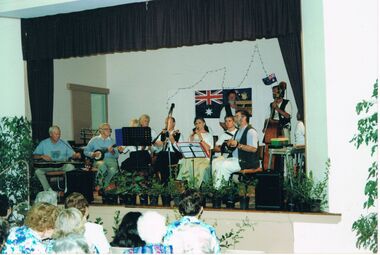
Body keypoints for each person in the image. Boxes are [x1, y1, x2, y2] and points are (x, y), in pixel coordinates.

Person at [212, 110, 260, 188]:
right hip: (236, 159)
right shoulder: (238, 131)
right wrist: (229, 144)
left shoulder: (251, 131)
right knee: (215, 162)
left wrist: (238, 145)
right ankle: (217, 188)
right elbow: (233, 145)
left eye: (237, 116)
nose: (235, 118)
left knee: (224, 165)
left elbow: (254, 149)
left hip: (247, 161)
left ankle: (221, 191)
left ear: (244, 118)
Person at [163, 190, 219, 254]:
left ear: (180, 210)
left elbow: (165, 251)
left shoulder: (171, 229)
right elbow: (216, 252)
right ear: (201, 210)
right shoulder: (209, 230)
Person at [33, 125, 81, 191]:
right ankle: (48, 190)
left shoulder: (64, 143)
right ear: (50, 134)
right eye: (56, 134)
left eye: (59, 134)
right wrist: (41, 156)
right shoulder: (43, 143)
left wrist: (76, 155)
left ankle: (68, 189)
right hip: (49, 166)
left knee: (71, 167)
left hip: (62, 166)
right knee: (38, 171)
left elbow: (73, 155)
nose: (58, 136)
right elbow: (34, 156)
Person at [176, 117, 213, 189]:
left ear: (204, 123)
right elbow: (188, 148)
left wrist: (200, 136)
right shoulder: (193, 135)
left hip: (204, 158)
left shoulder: (208, 135)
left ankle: (194, 186)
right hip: (194, 156)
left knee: (193, 163)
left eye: (199, 123)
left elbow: (208, 148)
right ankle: (187, 183)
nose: (198, 125)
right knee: (186, 160)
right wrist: (191, 139)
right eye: (196, 123)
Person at [84, 123, 119, 190]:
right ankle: (99, 184)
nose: (109, 131)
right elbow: (85, 151)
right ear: (101, 130)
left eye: (110, 129)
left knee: (113, 170)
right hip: (98, 161)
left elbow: (117, 155)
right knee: (102, 166)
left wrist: (112, 151)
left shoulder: (112, 141)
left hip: (111, 160)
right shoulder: (94, 140)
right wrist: (93, 154)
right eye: (106, 129)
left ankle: (104, 185)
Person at [154, 117, 182, 184]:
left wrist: (173, 141)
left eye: (168, 122)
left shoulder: (178, 134)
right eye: (166, 122)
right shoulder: (162, 134)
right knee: (161, 156)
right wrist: (158, 145)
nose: (166, 124)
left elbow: (181, 149)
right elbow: (155, 150)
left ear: (174, 123)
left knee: (162, 156)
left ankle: (160, 180)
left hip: (174, 155)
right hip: (163, 156)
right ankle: (164, 182)